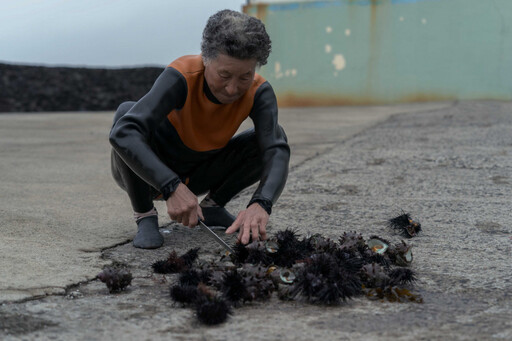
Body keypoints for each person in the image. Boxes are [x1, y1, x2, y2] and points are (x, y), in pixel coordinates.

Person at [109, 9, 290, 249]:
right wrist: (170, 185)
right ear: (206, 58)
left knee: (275, 136)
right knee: (126, 114)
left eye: (245, 77)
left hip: (199, 171)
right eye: (224, 75)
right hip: (148, 175)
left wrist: (262, 202)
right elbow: (123, 132)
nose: (232, 89)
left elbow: (275, 151)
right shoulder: (181, 76)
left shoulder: (259, 92)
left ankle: (213, 207)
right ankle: (145, 216)